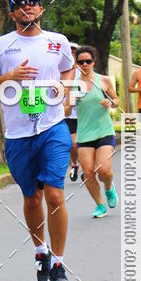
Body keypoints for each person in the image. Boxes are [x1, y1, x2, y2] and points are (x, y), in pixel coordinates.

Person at [0, 0, 75, 281]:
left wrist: (66, 94)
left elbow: (69, 70)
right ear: (13, 13)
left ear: (41, 9)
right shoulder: (1, 46)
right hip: (18, 134)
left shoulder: (57, 42)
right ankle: (40, 252)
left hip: (53, 127)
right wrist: (9, 77)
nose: (27, 7)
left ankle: (59, 263)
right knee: (31, 197)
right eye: (21, 4)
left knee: (54, 194)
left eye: (33, 2)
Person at [71, 46, 119, 218]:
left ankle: (109, 186)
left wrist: (110, 103)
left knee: (103, 171)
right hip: (84, 134)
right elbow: (65, 109)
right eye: (81, 62)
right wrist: (70, 102)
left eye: (88, 61)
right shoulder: (73, 85)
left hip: (104, 131)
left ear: (94, 62)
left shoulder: (104, 80)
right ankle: (100, 205)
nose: (85, 64)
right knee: (88, 172)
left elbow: (116, 99)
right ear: (76, 63)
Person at [66, 42, 80, 182]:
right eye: (69, 51)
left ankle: (87, 168)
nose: (71, 54)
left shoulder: (84, 72)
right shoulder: (58, 72)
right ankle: (75, 163)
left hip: (85, 114)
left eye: (74, 52)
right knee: (74, 144)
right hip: (68, 114)